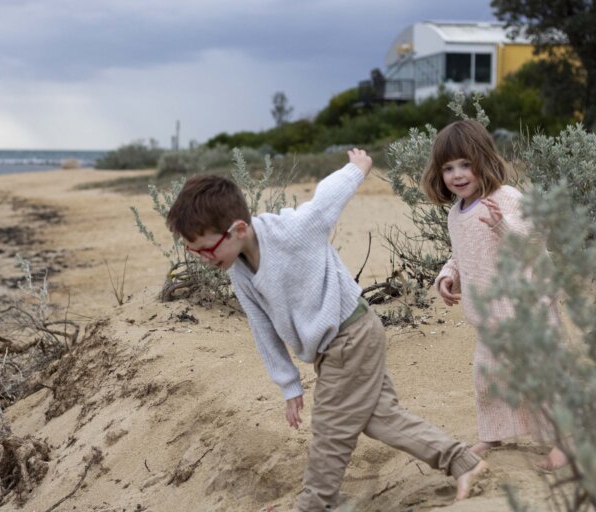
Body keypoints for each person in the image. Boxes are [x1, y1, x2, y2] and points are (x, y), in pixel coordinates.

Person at [166, 149, 487, 511]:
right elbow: (262, 327)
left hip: (351, 335)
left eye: (206, 251)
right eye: (195, 254)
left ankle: (314, 505)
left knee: (330, 431)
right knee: (380, 419)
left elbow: (325, 200)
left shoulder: (291, 231)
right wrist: (287, 383)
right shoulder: (239, 270)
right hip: (332, 346)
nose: (205, 261)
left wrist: (357, 168)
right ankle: (463, 462)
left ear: (238, 229)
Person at [421, 119, 567, 471]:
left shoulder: (506, 198)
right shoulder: (456, 214)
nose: (457, 175)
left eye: (465, 164)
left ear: (483, 160)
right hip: (490, 317)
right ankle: (495, 432)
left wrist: (502, 224)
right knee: (486, 379)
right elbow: (460, 253)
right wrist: (448, 275)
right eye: (448, 168)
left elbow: (532, 242)